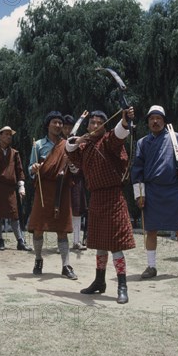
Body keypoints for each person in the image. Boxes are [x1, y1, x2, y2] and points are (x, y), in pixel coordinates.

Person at [66, 108, 136, 304]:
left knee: (115, 245)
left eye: (99, 123)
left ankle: (122, 285)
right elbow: (70, 152)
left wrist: (124, 120)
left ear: (105, 126)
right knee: (99, 243)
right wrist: (77, 141)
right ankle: (99, 281)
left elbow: (119, 134)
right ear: (87, 126)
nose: (95, 126)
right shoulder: (85, 146)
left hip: (113, 196)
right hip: (96, 197)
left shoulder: (109, 141)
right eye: (92, 123)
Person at [132, 105, 178, 280]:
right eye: (152, 118)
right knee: (150, 230)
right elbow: (137, 170)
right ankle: (151, 267)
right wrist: (139, 194)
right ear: (148, 122)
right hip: (151, 191)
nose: (155, 121)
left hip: (173, 190)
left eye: (159, 118)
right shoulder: (142, 143)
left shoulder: (176, 139)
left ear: (164, 121)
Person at [28, 111, 77, 279]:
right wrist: (34, 168)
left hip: (62, 190)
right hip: (44, 190)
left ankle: (66, 265)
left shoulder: (68, 144)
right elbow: (30, 169)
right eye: (54, 122)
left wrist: (72, 166)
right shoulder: (38, 145)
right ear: (48, 124)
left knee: (62, 230)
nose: (58, 125)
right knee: (39, 229)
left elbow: (75, 168)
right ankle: (38, 259)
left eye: (60, 123)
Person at [0, 126, 32, 251]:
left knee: (14, 215)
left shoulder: (15, 153)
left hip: (11, 189)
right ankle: (0, 240)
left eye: (10, 134)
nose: (9, 136)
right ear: (0, 136)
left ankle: (20, 241)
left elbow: (20, 171)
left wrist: (21, 187)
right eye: (6, 134)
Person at [62, 114, 88, 251]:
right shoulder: (60, 143)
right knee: (63, 210)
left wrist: (82, 118)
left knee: (77, 210)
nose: (67, 131)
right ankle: (63, 241)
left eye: (69, 128)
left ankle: (76, 241)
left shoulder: (77, 141)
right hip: (64, 179)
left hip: (77, 178)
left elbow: (74, 133)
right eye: (64, 128)